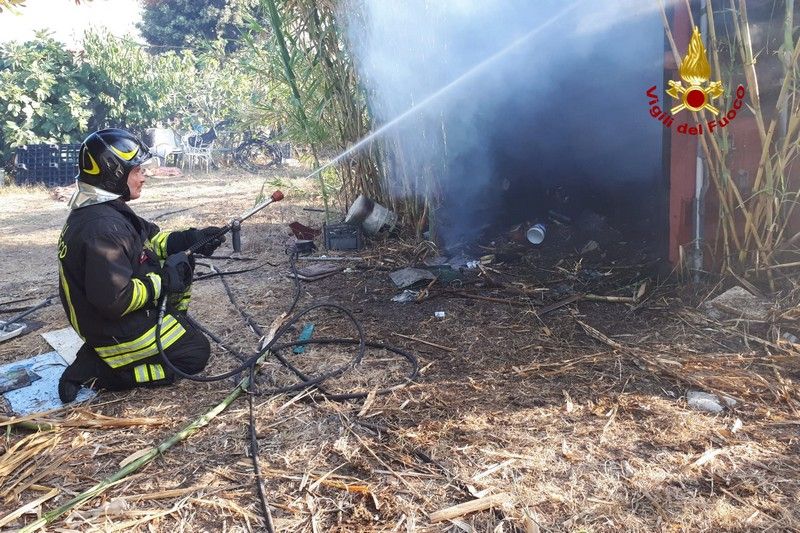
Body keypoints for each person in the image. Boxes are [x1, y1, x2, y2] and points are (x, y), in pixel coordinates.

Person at [57, 128, 225, 403]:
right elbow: (115, 300)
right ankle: (102, 372)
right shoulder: (101, 228)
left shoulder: (107, 211)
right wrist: (165, 281)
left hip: (110, 321)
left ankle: (102, 356)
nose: (143, 177)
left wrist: (192, 238)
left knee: (180, 270)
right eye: (136, 170)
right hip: (111, 326)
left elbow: (152, 242)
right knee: (193, 353)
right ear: (113, 173)